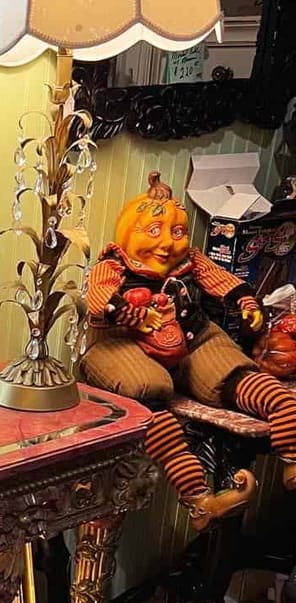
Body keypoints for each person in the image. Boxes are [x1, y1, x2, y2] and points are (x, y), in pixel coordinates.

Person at [81, 172, 296, 530]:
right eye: (153, 231)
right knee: (148, 394)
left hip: (189, 335)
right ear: (129, 231)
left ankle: (292, 454)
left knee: (237, 374)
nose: (166, 242)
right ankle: (199, 500)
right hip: (127, 342)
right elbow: (98, 300)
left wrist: (246, 300)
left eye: (177, 233)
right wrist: (127, 311)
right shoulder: (113, 265)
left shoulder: (189, 262)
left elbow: (221, 280)